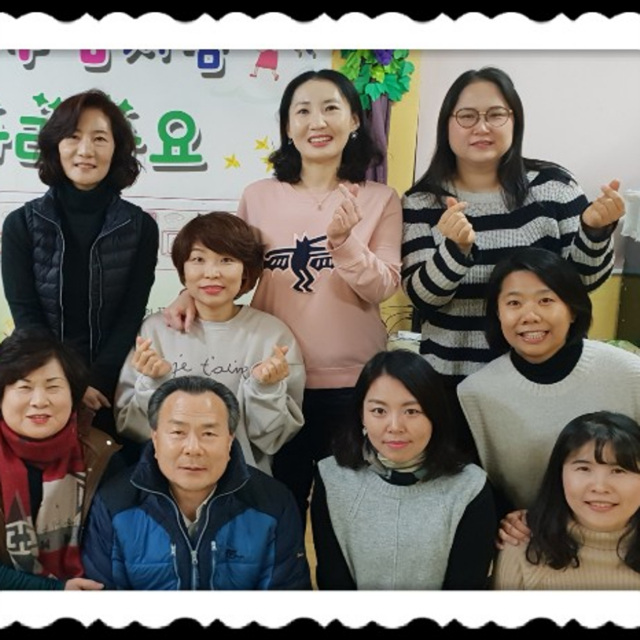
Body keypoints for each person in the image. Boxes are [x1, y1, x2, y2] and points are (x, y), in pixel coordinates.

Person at [163, 69, 403, 522]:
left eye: (331, 108)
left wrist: (343, 243)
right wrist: (187, 294)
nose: (318, 122)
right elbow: (232, 268)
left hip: (353, 384)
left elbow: (383, 285)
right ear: (287, 126)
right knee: (272, 506)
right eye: (303, 111)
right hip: (268, 380)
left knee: (344, 513)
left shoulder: (380, 198)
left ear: (354, 120)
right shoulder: (259, 196)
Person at [401, 66, 624, 457]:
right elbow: (423, 297)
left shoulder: (553, 187)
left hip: (548, 379)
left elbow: (582, 284)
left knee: (550, 481)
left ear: (515, 121)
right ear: (447, 124)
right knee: (469, 484)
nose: (481, 127)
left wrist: (594, 231)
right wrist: (455, 250)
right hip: (456, 383)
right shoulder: (422, 201)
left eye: (496, 114)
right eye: (467, 116)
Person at [1, 88, 159, 440]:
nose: (86, 150)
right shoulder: (20, 224)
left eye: (99, 138)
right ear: (55, 145)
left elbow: (131, 314)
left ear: (116, 148)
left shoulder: (140, 227)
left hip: (112, 384)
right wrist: (67, 384)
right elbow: (26, 315)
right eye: (73, 136)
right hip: (41, 383)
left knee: (110, 467)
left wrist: (96, 382)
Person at [457, 247, 640, 537]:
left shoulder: (630, 373)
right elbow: (477, 488)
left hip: (626, 538)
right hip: (532, 540)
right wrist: (506, 519)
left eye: (546, 300)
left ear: (572, 310)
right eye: (514, 303)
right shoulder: (475, 395)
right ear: (498, 313)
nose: (530, 316)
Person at [114, 211, 305, 474]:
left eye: (227, 260)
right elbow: (133, 428)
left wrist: (266, 390)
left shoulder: (272, 335)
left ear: (246, 270)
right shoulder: (156, 330)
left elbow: (274, 439)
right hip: (164, 485)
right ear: (182, 269)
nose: (212, 273)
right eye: (198, 259)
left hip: (244, 482)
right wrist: (152, 384)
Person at [82, 375, 312, 590]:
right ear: (155, 438)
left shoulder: (272, 503)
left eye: (209, 434)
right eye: (177, 432)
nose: (193, 448)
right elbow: (102, 603)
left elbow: (285, 600)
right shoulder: (114, 503)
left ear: (230, 440)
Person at [310, 349, 497, 590]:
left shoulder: (469, 488)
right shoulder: (332, 478)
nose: (395, 426)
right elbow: (333, 582)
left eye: (412, 411)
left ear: (434, 415)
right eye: (379, 411)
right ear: (361, 415)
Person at [0, 327, 123, 590]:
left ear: (73, 394)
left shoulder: (102, 456)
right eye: (24, 387)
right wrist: (54, 592)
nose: (39, 401)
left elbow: (115, 552)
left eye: (53, 387)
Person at [493, 410, 640, 590]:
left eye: (618, 471)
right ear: (559, 474)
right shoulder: (522, 548)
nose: (600, 487)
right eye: (584, 469)